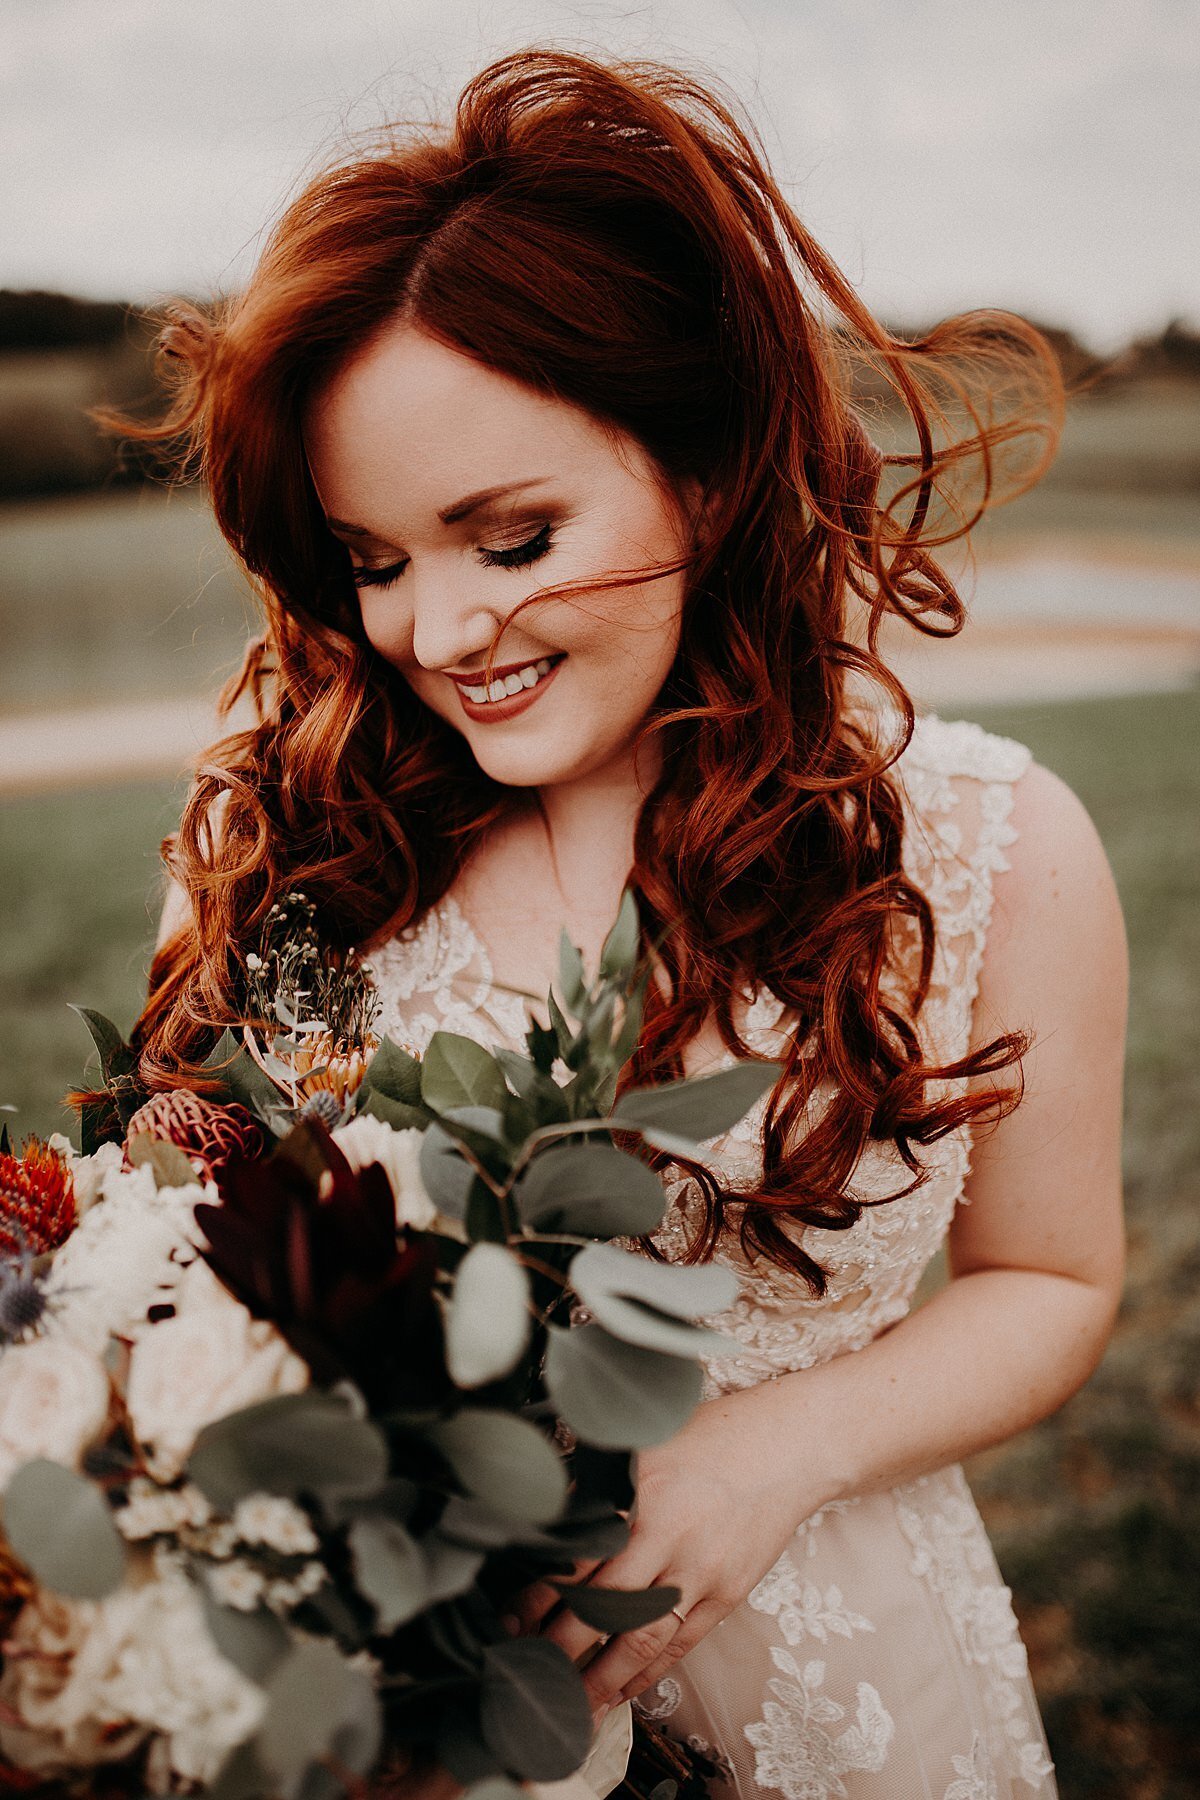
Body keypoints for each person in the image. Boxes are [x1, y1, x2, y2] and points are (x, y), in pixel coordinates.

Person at [131, 48, 1126, 1800]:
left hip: (861, 1702)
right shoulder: (293, 863)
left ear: (710, 469)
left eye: (509, 538)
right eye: (373, 562)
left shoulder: (991, 846)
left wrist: (779, 1448)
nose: (438, 631)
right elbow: (179, 1273)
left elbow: (1050, 1282)